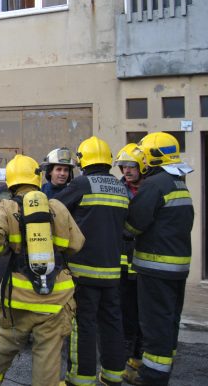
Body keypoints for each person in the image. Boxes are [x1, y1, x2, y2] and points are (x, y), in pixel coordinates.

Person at [0, 154, 84, 386]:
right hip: (56, 298)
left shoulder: (7, 207)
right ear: (38, 178)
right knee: (48, 357)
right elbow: (77, 243)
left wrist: (2, 249)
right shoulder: (57, 207)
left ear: (11, 181)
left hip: (19, 299)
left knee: (3, 347)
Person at [55, 136, 129, 386]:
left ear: (83, 160)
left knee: (82, 324)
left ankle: (80, 379)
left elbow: (56, 210)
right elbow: (128, 228)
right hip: (112, 271)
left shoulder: (82, 184)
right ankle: (113, 375)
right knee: (112, 323)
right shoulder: (121, 187)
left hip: (83, 272)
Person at [124, 132, 194, 386]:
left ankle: (152, 378)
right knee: (168, 324)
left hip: (155, 270)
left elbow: (134, 224)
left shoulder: (154, 185)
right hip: (177, 269)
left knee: (154, 327)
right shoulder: (178, 182)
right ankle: (162, 372)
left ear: (153, 156)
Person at [114, 143, 145, 375]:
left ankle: (140, 352)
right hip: (123, 264)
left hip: (145, 263)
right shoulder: (117, 188)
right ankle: (125, 351)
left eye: (132, 166)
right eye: (124, 166)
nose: (127, 170)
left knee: (144, 311)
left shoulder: (151, 189)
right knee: (125, 309)